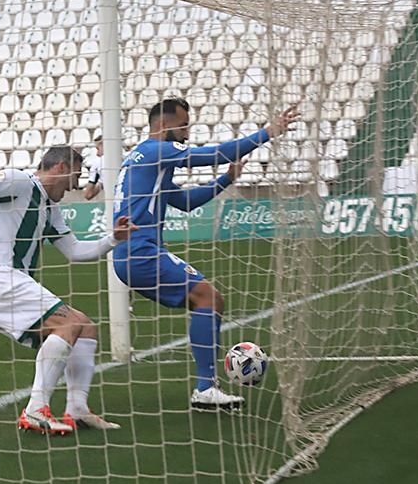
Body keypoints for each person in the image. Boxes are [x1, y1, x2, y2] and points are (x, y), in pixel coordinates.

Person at [112, 98, 299, 410]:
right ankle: (205, 388)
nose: (188, 130)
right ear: (164, 125)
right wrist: (269, 132)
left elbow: (184, 202)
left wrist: (226, 180)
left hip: (133, 254)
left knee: (208, 299)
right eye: (183, 124)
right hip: (139, 252)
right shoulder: (157, 150)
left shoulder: (145, 160)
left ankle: (206, 387)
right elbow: (215, 154)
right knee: (210, 298)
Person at [0, 145, 137, 434]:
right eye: (75, 176)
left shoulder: (50, 207)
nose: (75, 186)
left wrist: (113, 239)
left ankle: (76, 409)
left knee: (85, 327)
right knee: (68, 323)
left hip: (10, 282)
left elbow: (75, 251)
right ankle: (35, 409)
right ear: (61, 167)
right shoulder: (20, 181)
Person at [82, 133, 105, 200]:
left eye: (98, 149)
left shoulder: (98, 162)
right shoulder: (127, 159)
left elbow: (88, 195)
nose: (97, 154)